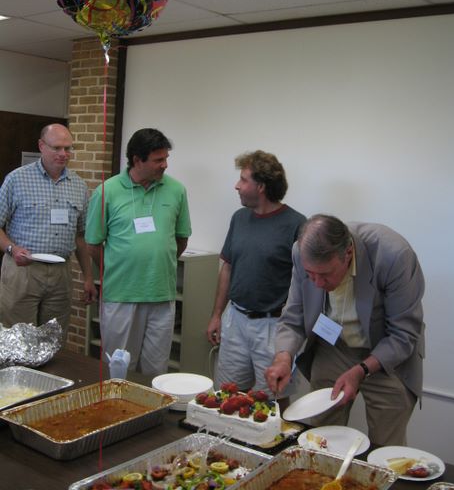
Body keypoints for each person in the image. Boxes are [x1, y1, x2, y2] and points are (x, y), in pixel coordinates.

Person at [265, 214, 425, 446]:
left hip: (387, 354)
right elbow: (293, 316)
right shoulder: (301, 252)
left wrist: (361, 371)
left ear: (348, 253)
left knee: (384, 445)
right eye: (310, 275)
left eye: (325, 274)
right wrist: (283, 358)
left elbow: (403, 334)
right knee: (321, 436)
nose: (317, 284)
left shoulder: (394, 255)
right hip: (334, 347)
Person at [85, 128, 191, 376]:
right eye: (158, 160)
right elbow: (93, 244)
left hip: (161, 294)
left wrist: (155, 263)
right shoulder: (107, 191)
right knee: (120, 368)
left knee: (156, 370)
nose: (164, 165)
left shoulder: (176, 190)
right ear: (137, 160)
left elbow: (181, 239)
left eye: (165, 158)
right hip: (121, 294)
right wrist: (119, 269)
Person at [207, 150, 306, 397]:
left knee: (273, 399)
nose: (237, 186)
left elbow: (306, 282)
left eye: (243, 179)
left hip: (273, 326)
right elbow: (227, 267)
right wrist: (217, 314)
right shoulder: (239, 218)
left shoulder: (296, 224)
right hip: (236, 319)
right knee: (227, 394)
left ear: (261, 186)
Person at [0, 123, 96, 342]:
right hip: (23, 270)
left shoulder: (79, 186)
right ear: (41, 146)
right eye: (57, 148)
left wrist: (88, 278)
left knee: (53, 340)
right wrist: (12, 249)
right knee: (18, 340)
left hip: (61, 273)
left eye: (68, 148)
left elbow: (80, 236)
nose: (63, 154)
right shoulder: (17, 179)